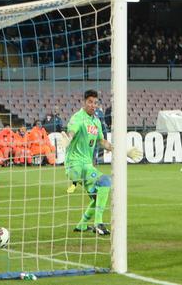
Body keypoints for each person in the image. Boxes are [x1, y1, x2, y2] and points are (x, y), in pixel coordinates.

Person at [61, 89, 142, 235]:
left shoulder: (96, 121)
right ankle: (98, 224)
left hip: (86, 165)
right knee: (105, 181)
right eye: (90, 102)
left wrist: (124, 151)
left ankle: (82, 225)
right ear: (84, 102)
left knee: (98, 195)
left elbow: (102, 142)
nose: (93, 105)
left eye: (95, 103)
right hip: (75, 165)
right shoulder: (78, 117)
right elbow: (72, 131)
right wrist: (68, 138)